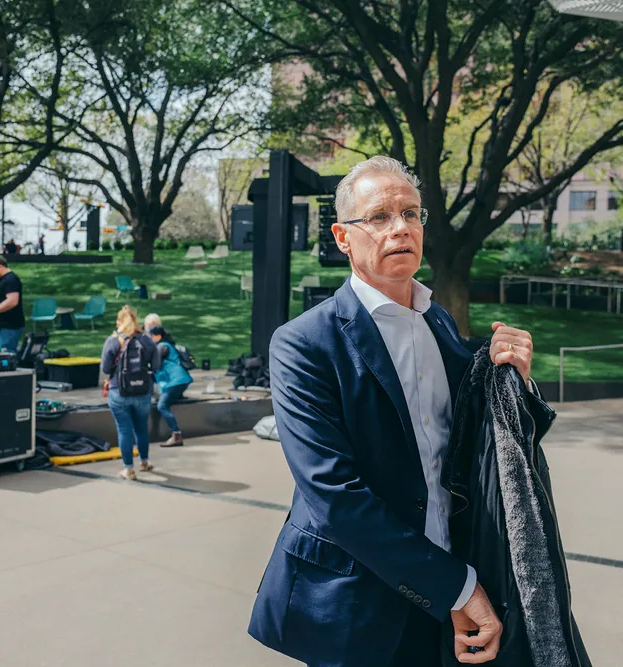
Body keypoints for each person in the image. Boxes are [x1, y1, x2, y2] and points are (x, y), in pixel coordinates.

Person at [248, 156, 553, 667]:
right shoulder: (302, 344)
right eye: (380, 216)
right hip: (356, 601)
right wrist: (456, 588)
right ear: (343, 238)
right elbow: (335, 497)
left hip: (453, 592)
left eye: (411, 214)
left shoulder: (441, 325)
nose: (401, 228)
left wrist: (514, 380)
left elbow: (481, 442)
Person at [100, 305, 161, 481]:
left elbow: (105, 368)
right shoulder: (146, 340)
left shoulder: (113, 341)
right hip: (142, 391)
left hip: (118, 391)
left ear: (119, 322)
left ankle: (128, 469)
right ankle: (144, 462)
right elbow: (156, 366)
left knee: (124, 430)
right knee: (141, 428)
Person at [148, 325, 193, 447]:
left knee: (162, 406)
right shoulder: (167, 345)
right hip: (180, 380)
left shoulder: (161, 347)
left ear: (158, 336)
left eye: (151, 336)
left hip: (176, 381)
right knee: (165, 401)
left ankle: (176, 435)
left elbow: (155, 365)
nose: (150, 339)